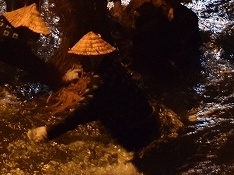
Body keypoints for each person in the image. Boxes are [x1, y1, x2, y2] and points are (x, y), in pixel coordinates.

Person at [27, 31, 157, 150]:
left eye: (82, 58)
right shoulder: (113, 65)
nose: (80, 62)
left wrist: (48, 132)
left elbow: (80, 114)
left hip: (137, 135)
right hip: (151, 122)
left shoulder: (99, 83)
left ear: (92, 58)